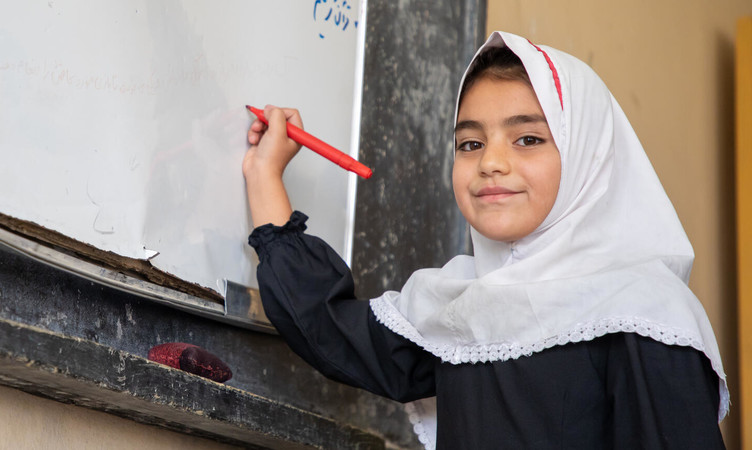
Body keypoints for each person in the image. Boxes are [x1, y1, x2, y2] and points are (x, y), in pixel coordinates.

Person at [242, 31, 728, 449]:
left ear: (589, 157)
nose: (490, 162)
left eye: (528, 139)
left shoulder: (644, 315)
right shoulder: (463, 314)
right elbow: (332, 331)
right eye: (470, 144)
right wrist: (265, 176)